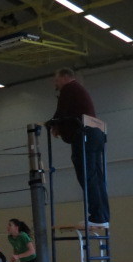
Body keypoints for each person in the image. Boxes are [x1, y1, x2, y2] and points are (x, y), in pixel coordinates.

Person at [50, 67, 110, 227]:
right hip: (97, 134)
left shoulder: (68, 89)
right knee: (97, 176)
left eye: (57, 80)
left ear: (65, 77)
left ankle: (97, 216)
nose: (56, 83)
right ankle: (103, 216)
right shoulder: (78, 90)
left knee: (86, 175)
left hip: (85, 135)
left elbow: (61, 113)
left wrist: (54, 126)